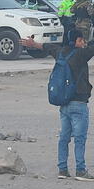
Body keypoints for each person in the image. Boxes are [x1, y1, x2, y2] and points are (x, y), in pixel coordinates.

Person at [22, 30, 94, 180]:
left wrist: (33, 44)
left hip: (64, 104)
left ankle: (63, 169)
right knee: (80, 139)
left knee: (64, 138)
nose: (84, 43)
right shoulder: (81, 54)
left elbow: (47, 47)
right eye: (82, 40)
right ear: (78, 40)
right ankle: (80, 170)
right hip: (79, 103)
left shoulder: (61, 52)